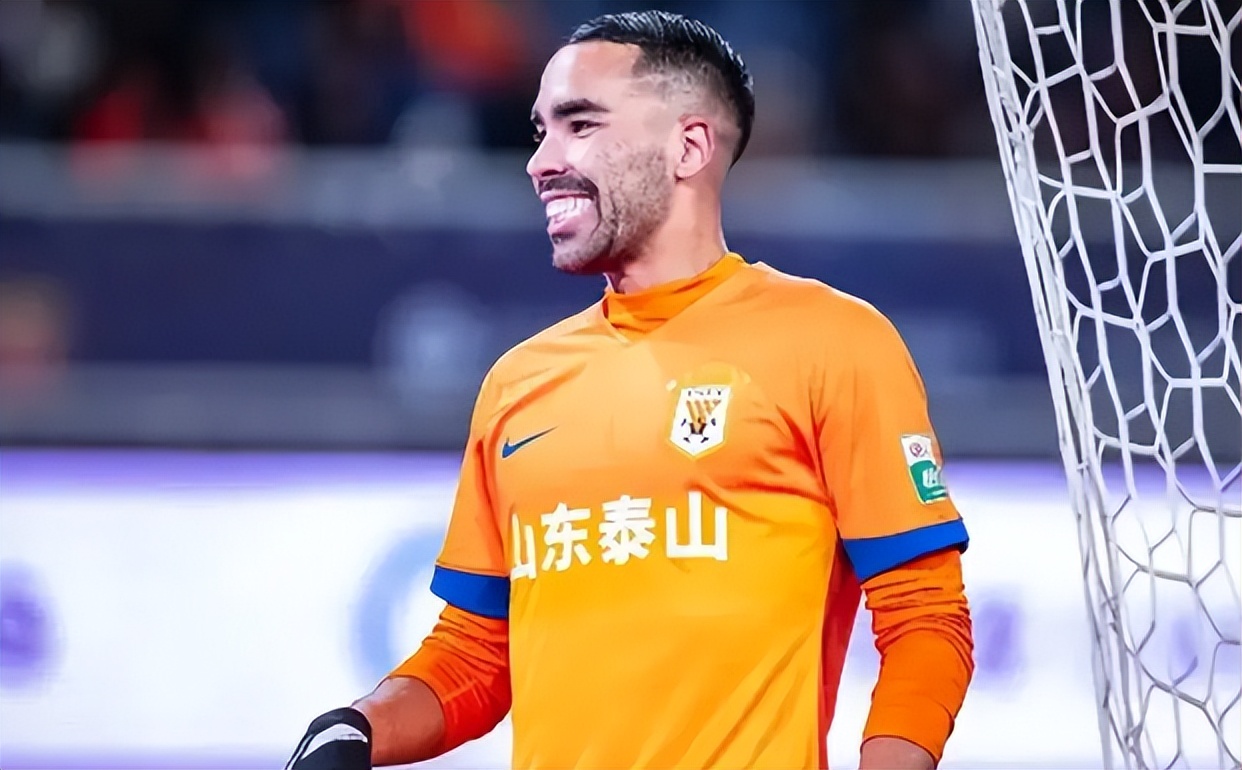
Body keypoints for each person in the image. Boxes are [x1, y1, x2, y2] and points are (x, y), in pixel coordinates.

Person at [287, 10, 973, 770]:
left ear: (688, 147)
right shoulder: (518, 381)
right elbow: (477, 651)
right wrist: (356, 728)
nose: (540, 161)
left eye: (580, 124)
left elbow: (925, 623)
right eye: (541, 130)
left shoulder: (833, 342)